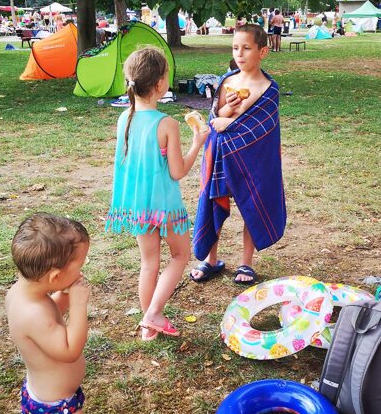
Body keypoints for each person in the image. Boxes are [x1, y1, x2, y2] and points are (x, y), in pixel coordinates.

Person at [107, 47, 208, 340]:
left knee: (148, 264)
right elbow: (177, 171)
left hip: (138, 206)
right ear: (161, 83)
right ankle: (152, 314)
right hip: (165, 205)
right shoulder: (167, 124)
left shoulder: (124, 118)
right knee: (180, 255)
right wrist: (197, 143)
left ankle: (148, 326)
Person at [190, 24, 286, 284]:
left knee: (251, 206)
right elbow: (215, 117)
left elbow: (260, 128)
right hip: (220, 156)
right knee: (214, 202)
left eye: (246, 48)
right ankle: (211, 259)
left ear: (263, 51)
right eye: (235, 48)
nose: (239, 54)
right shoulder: (227, 81)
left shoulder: (269, 89)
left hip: (252, 160)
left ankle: (246, 263)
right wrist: (226, 111)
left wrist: (228, 123)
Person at [5, 213, 91, 414]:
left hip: (40, 397)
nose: (82, 271)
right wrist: (78, 305)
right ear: (54, 277)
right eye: (79, 265)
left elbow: (49, 317)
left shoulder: (22, 295)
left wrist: (62, 297)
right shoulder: (34, 314)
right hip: (59, 410)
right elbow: (69, 350)